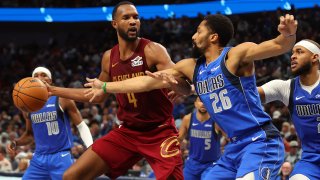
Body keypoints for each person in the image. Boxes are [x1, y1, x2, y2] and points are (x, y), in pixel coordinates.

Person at [84, 13, 298, 179]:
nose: (193, 36)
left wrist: (288, 34)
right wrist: (105, 86)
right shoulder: (190, 67)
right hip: (233, 147)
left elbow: (278, 45)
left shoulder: (234, 56)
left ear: (213, 37)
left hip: (260, 140)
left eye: (198, 31)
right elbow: (147, 82)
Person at [47, 1, 184, 179]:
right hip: (128, 132)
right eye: (126, 18)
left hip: (159, 131)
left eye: (136, 17)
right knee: (71, 176)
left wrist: (177, 86)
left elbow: (180, 78)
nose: (133, 21)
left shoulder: (153, 50)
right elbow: (95, 96)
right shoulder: (108, 58)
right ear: (115, 23)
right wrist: (52, 90)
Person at [6, 67, 93, 180]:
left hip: (61, 157)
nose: (40, 78)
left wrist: (91, 147)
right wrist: (15, 143)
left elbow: (81, 125)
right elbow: (30, 135)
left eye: (44, 75)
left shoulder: (62, 98)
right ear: (31, 81)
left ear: (50, 81)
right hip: (39, 159)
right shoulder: (28, 106)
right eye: (36, 76)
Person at [258, 39, 320, 180]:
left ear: (315, 57)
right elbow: (249, 94)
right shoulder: (286, 87)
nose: (292, 56)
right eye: (292, 53)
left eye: (299, 52)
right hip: (311, 161)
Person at [178, 96, 221, 180]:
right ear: (195, 104)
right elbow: (178, 139)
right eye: (200, 101)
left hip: (211, 164)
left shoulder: (216, 120)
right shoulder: (188, 119)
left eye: (206, 101)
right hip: (192, 163)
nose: (203, 104)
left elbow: (230, 138)